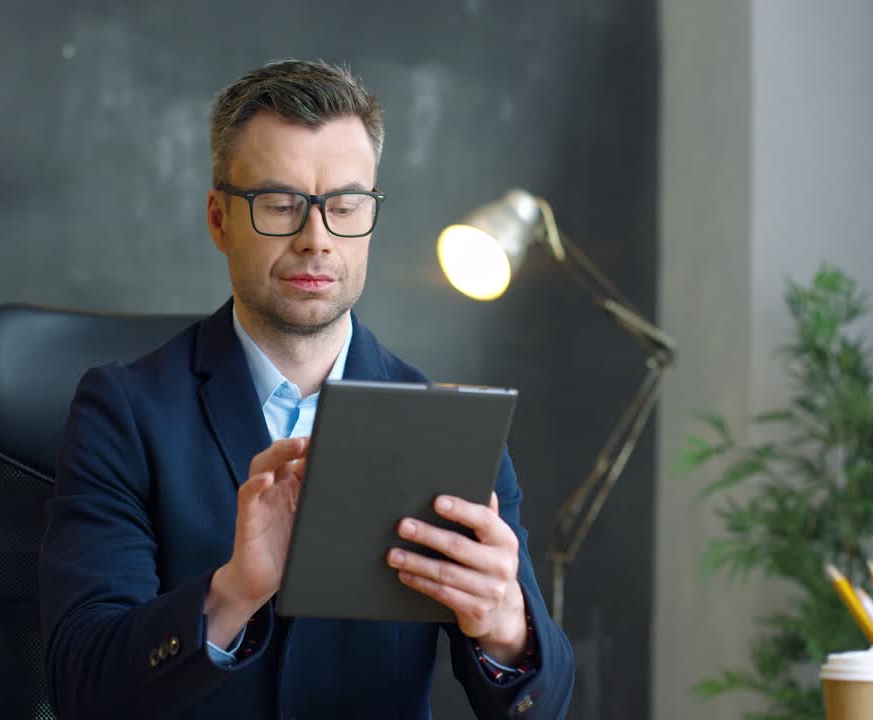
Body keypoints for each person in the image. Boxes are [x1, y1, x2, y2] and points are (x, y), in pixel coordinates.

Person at [40, 59, 575, 719]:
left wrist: (506, 626)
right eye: (279, 204)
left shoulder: (450, 430)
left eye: (344, 207)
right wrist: (233, 593)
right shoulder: (122, 412)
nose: (316, 239)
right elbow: (82, 689)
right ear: (218, 219)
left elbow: (541, 707)